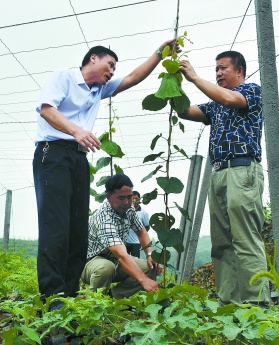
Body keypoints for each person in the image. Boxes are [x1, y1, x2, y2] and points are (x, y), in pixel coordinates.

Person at [33, 40, 177, 309]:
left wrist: (160, 54)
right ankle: (52, 297)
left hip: (78, 157)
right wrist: (77, 131)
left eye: (114, 68)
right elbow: (46, 109)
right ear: (93, 59)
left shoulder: (98, 90)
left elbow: (133, 77)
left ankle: (69, 292)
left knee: (77, 229)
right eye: (109, 65)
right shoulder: (64, 77)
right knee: (56, 228)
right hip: (52, 153)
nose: (112, 71)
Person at [176, 51, 272, 306]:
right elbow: (185, 111)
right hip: (218, 173)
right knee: (221, 244)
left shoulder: (251, 91)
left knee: (245, 240)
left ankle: (256, 305)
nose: (218, 74)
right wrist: (173, 82)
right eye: (216, 70)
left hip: (242, 172)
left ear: (239, 71)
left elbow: (230, 99)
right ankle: (229, 305)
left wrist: (194, 77)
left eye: (223, 69)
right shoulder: (215, 104)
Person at [81, 174, 162, 299]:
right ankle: (93, 303)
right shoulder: (104, 219)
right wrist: (144, 281)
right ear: (109, 197)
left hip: (115, 261)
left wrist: (149, 255)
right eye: (121, 198)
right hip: (91, 263)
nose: (126, 202)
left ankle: (112, 298)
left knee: (149, 268)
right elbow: (121, 255)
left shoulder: (128, 209)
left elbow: (141, 231)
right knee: (106, 268)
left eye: (129, 197)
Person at [125, 191, 150, 258]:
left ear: (139, 200)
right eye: (132, 198)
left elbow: (147, 226)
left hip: (136, 242)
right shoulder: (126, 210)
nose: (134, 200)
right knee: (123, 260)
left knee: (135, 261)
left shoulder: (143, 213)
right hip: (125, 241)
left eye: (136, 199)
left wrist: (140, 234)